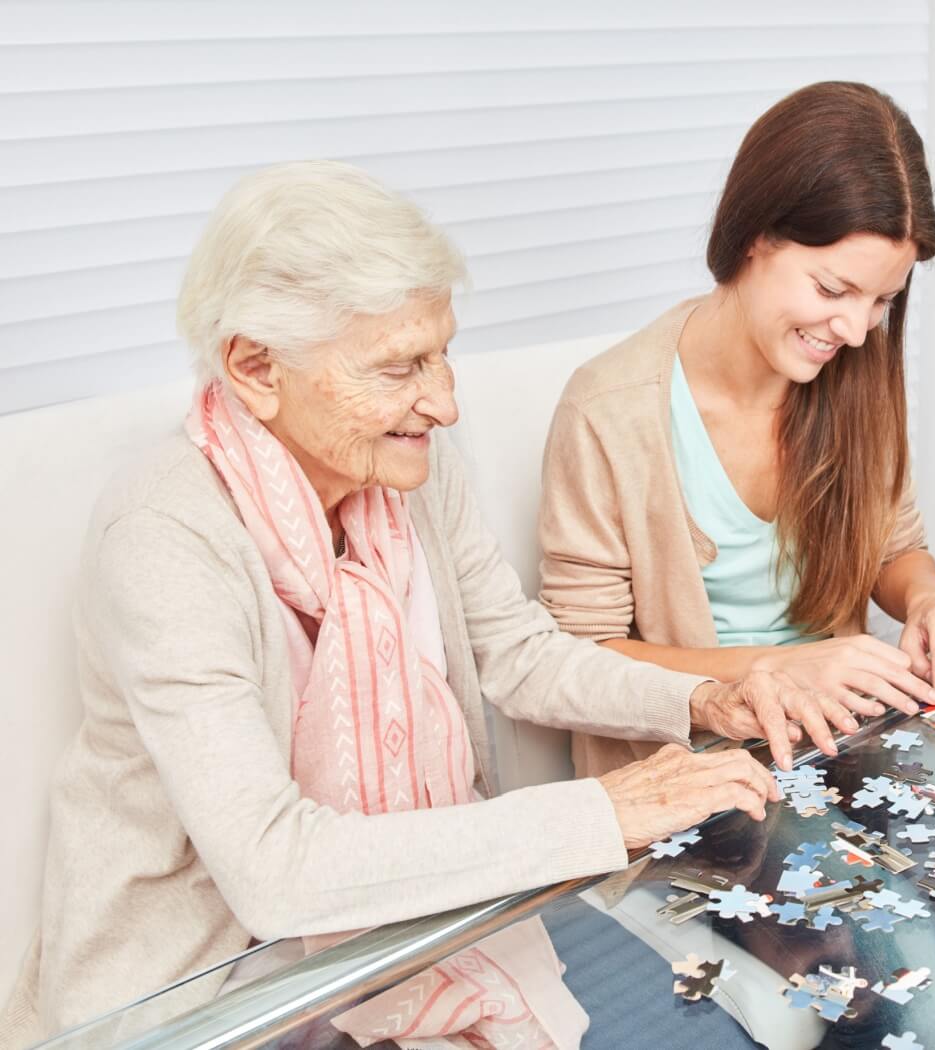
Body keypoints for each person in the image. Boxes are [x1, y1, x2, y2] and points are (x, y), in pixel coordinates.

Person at [1, 160, 855, 1048]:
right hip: (216, 986)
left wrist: (696, 699)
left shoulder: (408, 461)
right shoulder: (164, 538)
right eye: (402, 366)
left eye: (442, 351)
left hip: (420, 924)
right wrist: (608, 811)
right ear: (256, 367)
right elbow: (273, 868)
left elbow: (514, 651)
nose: (442, 402)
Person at [538, 80, 935, 1050]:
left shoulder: (854, 371)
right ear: (755, 239)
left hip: (848, 735)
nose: (856, 329)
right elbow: (580, 659)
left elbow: (892, 545)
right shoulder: (609, 410)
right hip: (699, 774)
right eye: (834, 290)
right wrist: (766, 671)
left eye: (882, 300)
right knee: (908, 985)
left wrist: (928, 601)